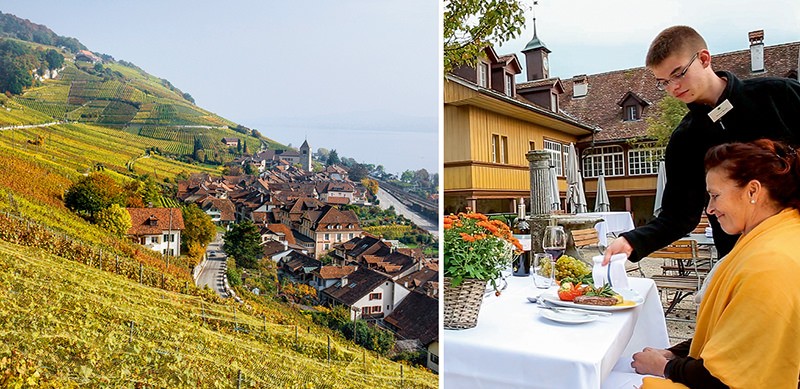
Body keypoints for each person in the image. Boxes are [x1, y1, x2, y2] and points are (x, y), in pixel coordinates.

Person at [602, 25, 800, 265]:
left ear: (704, 59)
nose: (673, 87)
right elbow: (679, 215)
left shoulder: (781, 95)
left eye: (679, 73)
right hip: (740, 260)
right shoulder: (684, 140)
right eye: (663, 82)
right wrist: (633, 241)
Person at [631, 139, 800, 388]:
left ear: (753, 191)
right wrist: (676, 353)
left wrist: (664, 367)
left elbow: (726, 379)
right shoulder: (772, 236)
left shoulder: (769, 263)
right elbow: (734, 334)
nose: (709, 208)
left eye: (715, 196)